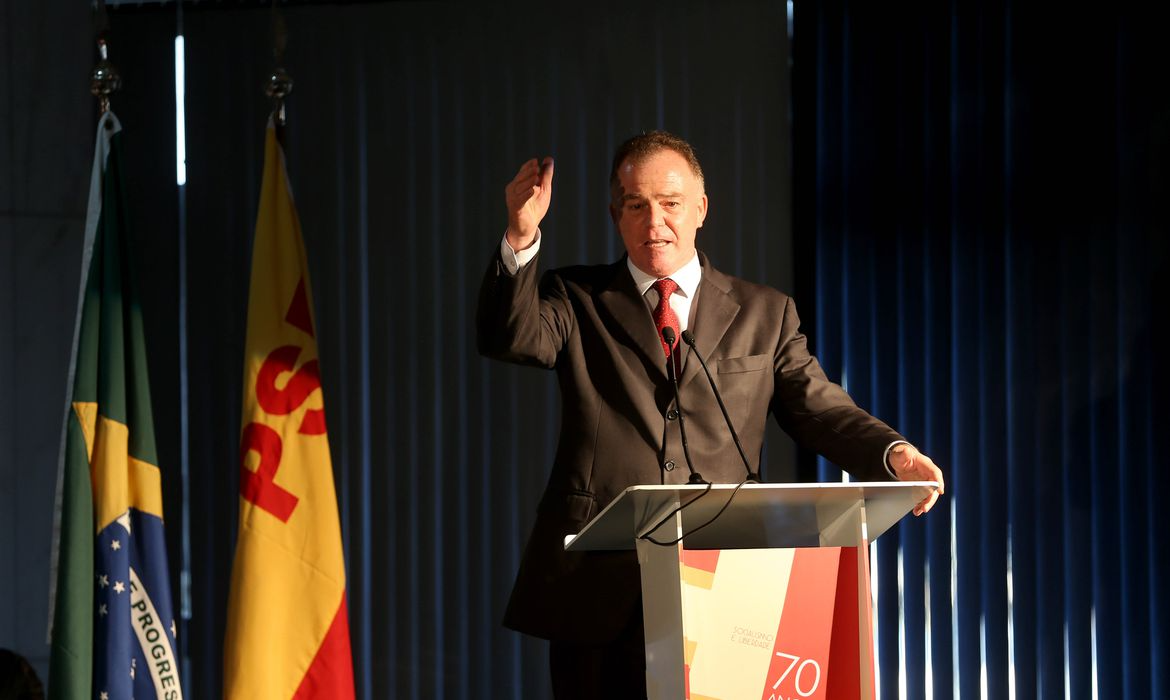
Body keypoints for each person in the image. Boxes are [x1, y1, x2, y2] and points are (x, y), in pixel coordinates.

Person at [476, 130, 944, 699]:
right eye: (635, 204)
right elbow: (511, 336)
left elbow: (818, 407)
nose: (654, 222)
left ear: (701, 207)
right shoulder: (577, 298)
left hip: (726, 580)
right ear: (615, 214)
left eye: (670, 203)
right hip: (598, 587)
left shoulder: (765, 313)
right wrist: (522, 235)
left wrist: (893, 454)